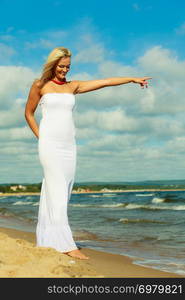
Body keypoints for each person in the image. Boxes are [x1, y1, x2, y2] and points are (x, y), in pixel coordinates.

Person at [25, 46, 151, 260]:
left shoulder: (73, 86)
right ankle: (66, 245)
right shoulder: (40, 85)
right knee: (56, 192)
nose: (65, 70)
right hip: (49, 145)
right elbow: (28, 113)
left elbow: (105, 82)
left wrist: (131, 79)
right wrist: (41, 137)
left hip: (69, 145)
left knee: (62, 191)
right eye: (61, 66)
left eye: (68, 67)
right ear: (53, 64)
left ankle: (47, 239)